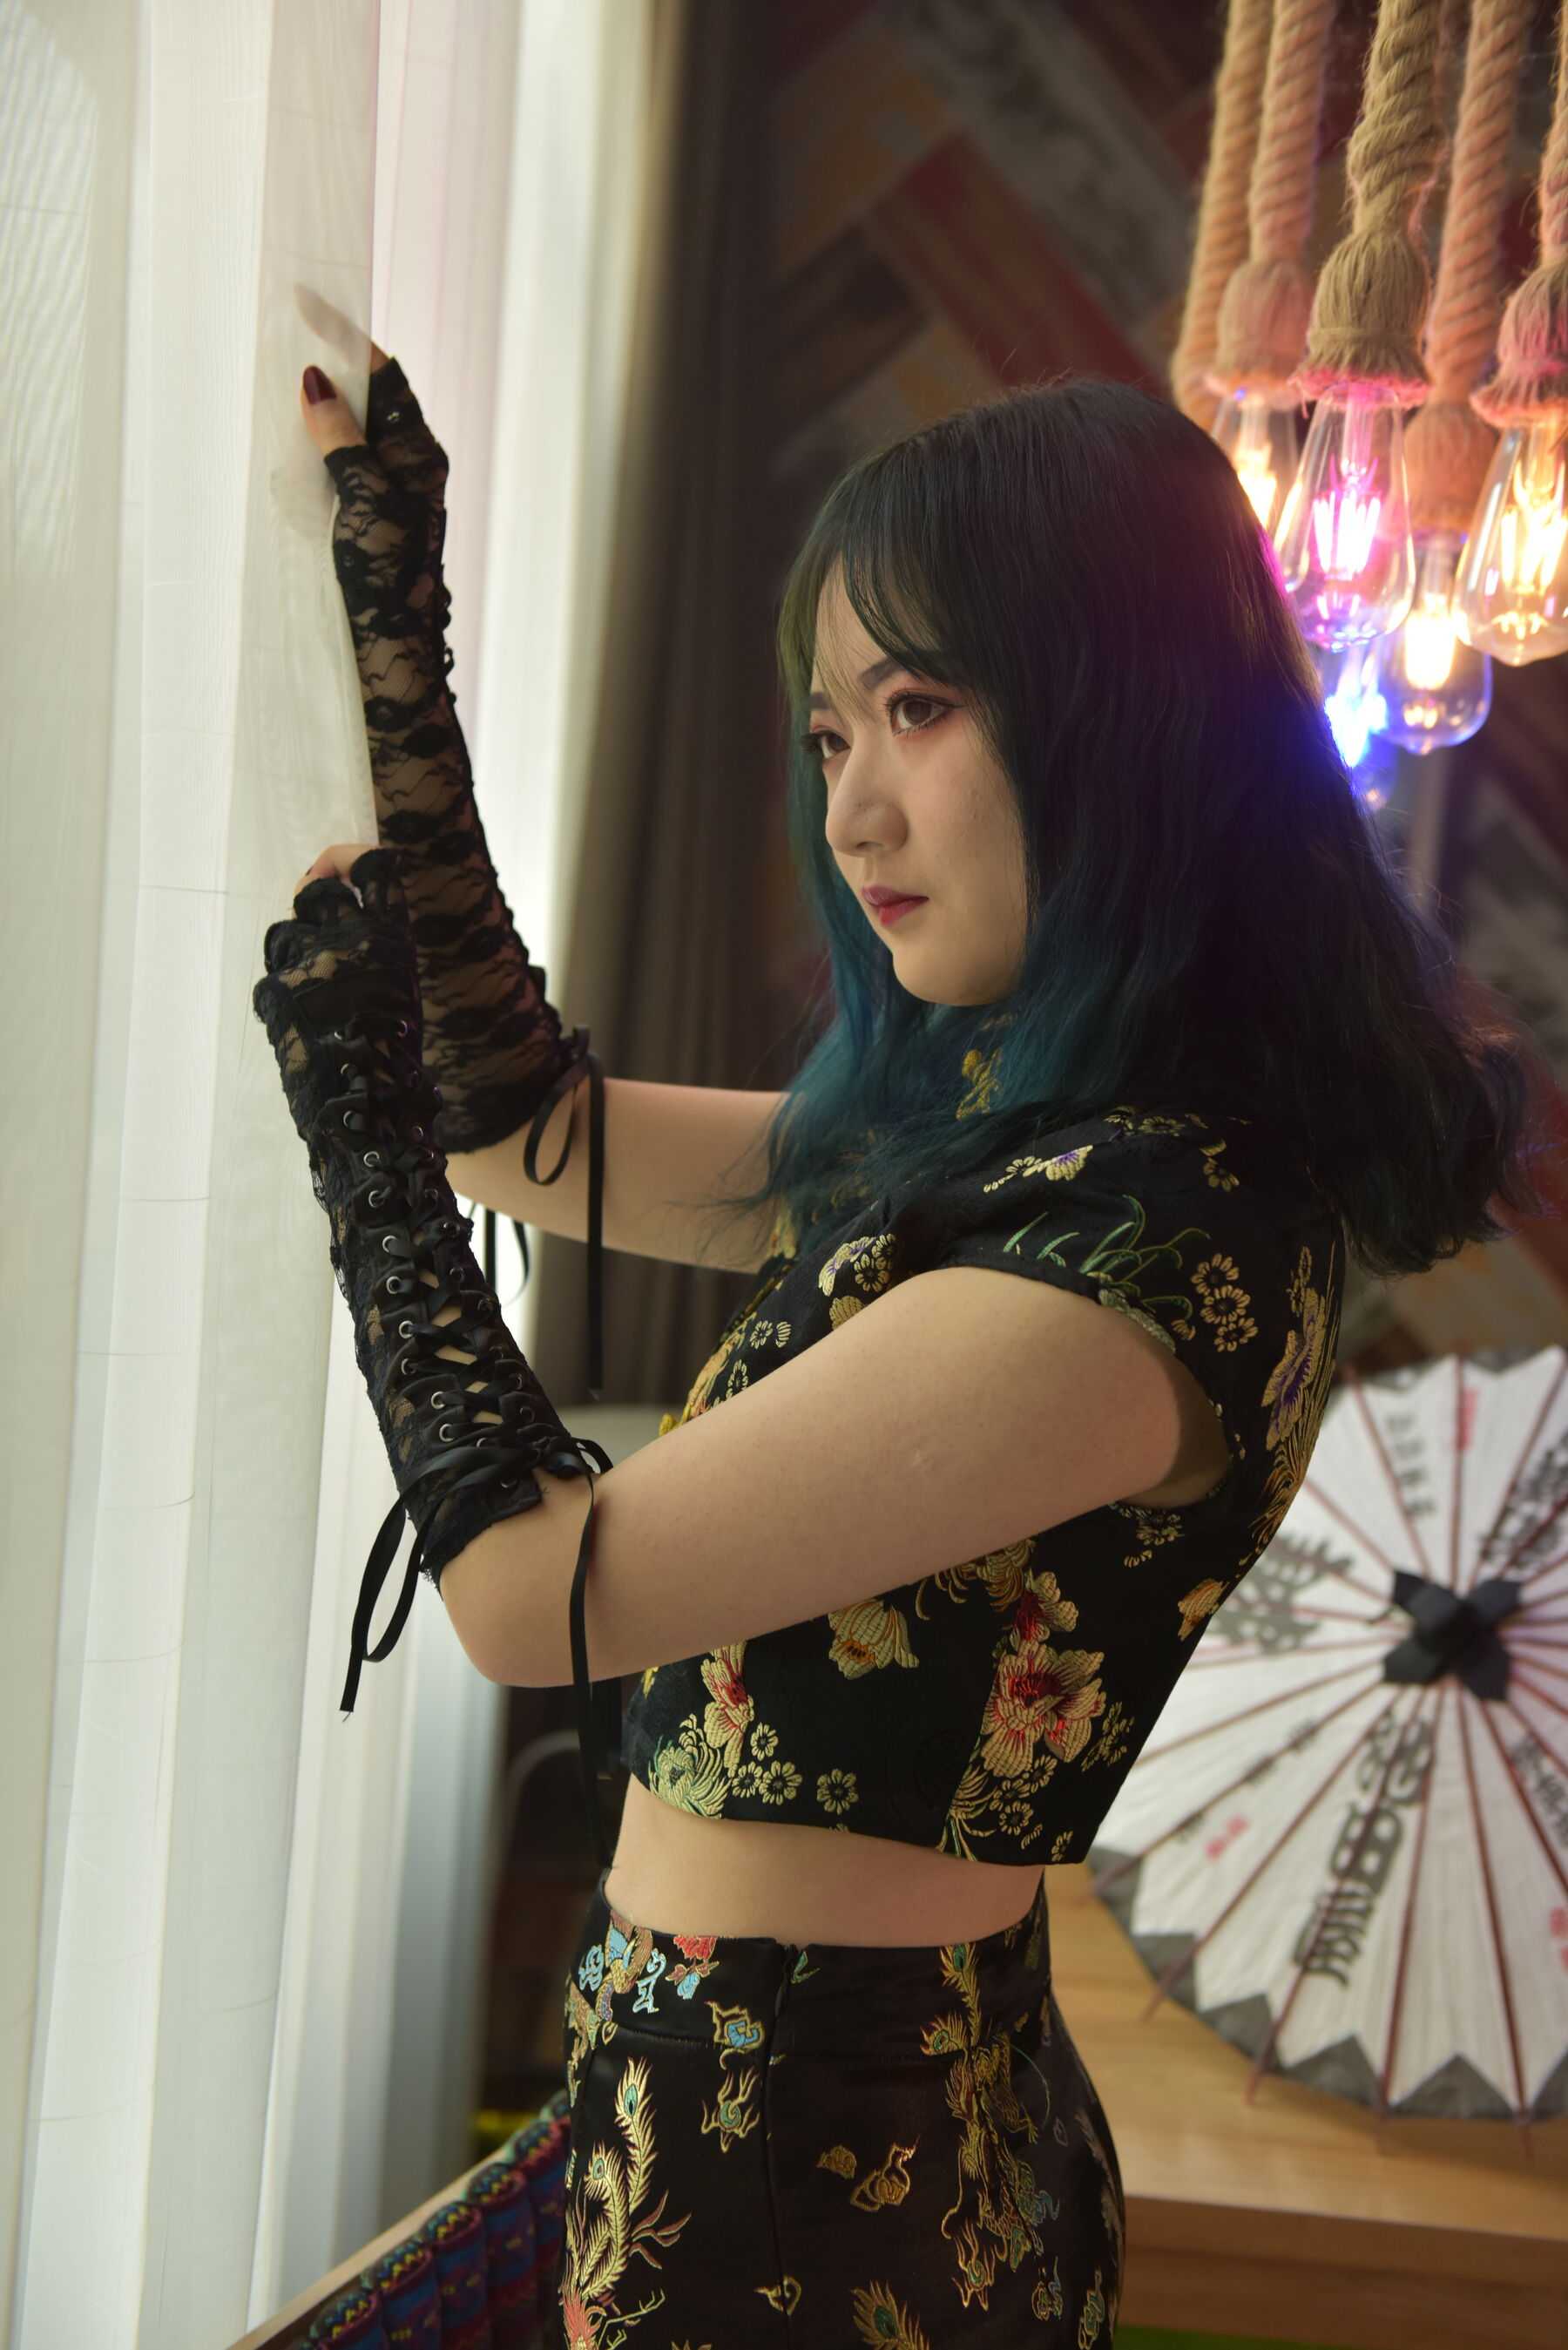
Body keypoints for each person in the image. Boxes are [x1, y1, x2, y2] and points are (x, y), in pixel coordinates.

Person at [265, 349, 1549, 2347]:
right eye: (829, 728)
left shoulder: (1145, 1251)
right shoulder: (1023, 1131)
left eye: (921, 708)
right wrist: (395, 632)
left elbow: (536, 1589)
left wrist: (352, 1136)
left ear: (1127, 719)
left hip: (806, 2189)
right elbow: (530, 1131)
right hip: (795, 2111)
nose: (851, 803)